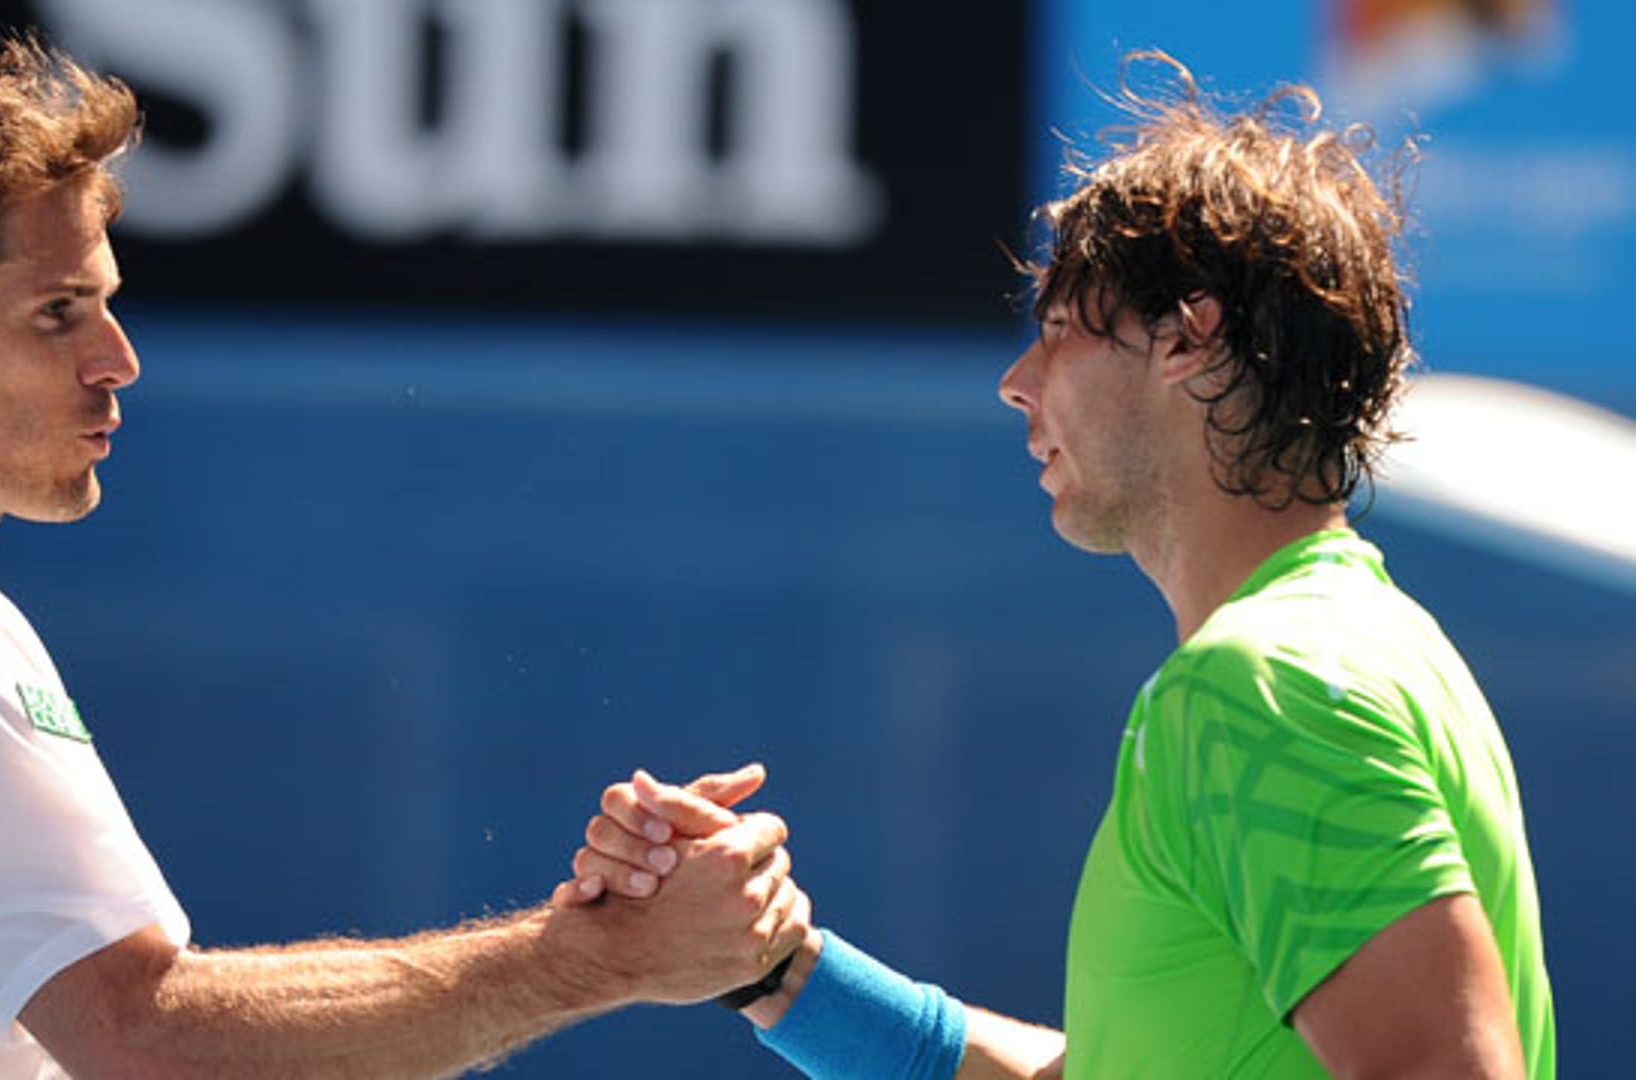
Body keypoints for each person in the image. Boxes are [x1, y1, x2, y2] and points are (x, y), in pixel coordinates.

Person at [0, 38, 810, 1078]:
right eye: (58, 314)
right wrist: (595, 959)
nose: (119, 361)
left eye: (107, 306)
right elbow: (142, 1042)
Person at [565, 52, 1554, 1079]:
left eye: (1055, 330)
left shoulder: (1267, 683)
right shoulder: (1368, 648)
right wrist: (773, 971)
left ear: (1189, 340)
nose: (1015, 383)